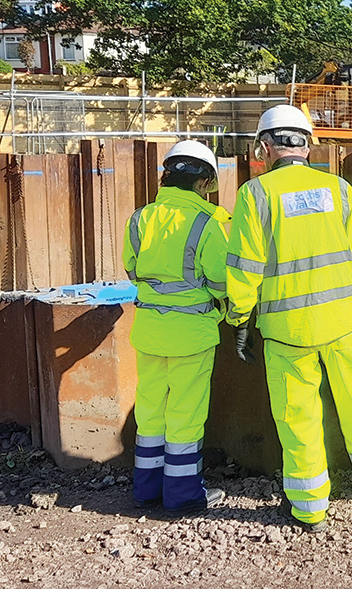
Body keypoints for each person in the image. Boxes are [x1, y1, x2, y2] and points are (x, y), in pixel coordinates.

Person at [226, 104, 352, 533]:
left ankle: (310, 508)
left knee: (298, 414)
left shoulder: (256, 194)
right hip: (346, 322)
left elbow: (245, 268)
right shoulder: (337, 189)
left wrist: (240, 319)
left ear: (264, 147)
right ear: (307, 145)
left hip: (288, 332)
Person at [124, 140, 229, 515]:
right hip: (192, 333)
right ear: (204, 183)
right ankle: (183, 495)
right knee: (185, 413)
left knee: (151, 410)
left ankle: (147, 489)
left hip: (149, 330)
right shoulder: (210, 223)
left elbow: (133, 268)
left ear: (166, 177)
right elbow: (220, 280)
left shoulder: (140, 218)